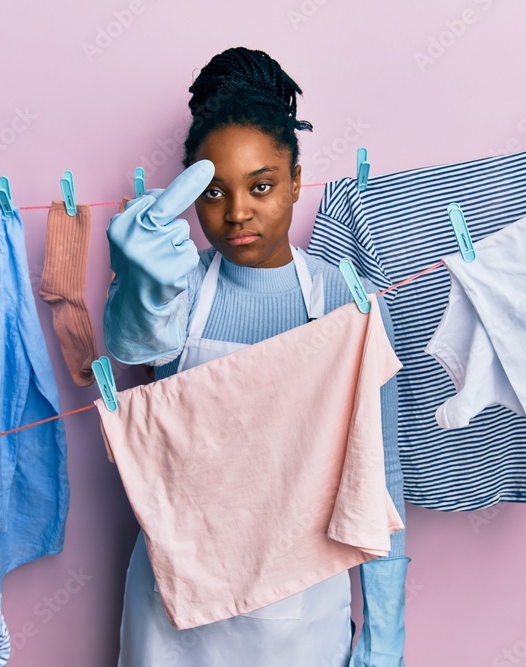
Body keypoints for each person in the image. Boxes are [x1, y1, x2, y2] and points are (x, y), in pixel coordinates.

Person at [104, 46, 409, 667]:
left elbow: (382, 476)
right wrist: (137, 285)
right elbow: (135, 343)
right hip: (173, 609)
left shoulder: (343, 298)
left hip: (298, 610)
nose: (237, 213)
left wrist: (383, 636)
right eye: (213, 192)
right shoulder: (177, 289)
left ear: (297, 181)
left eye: (262, 185)